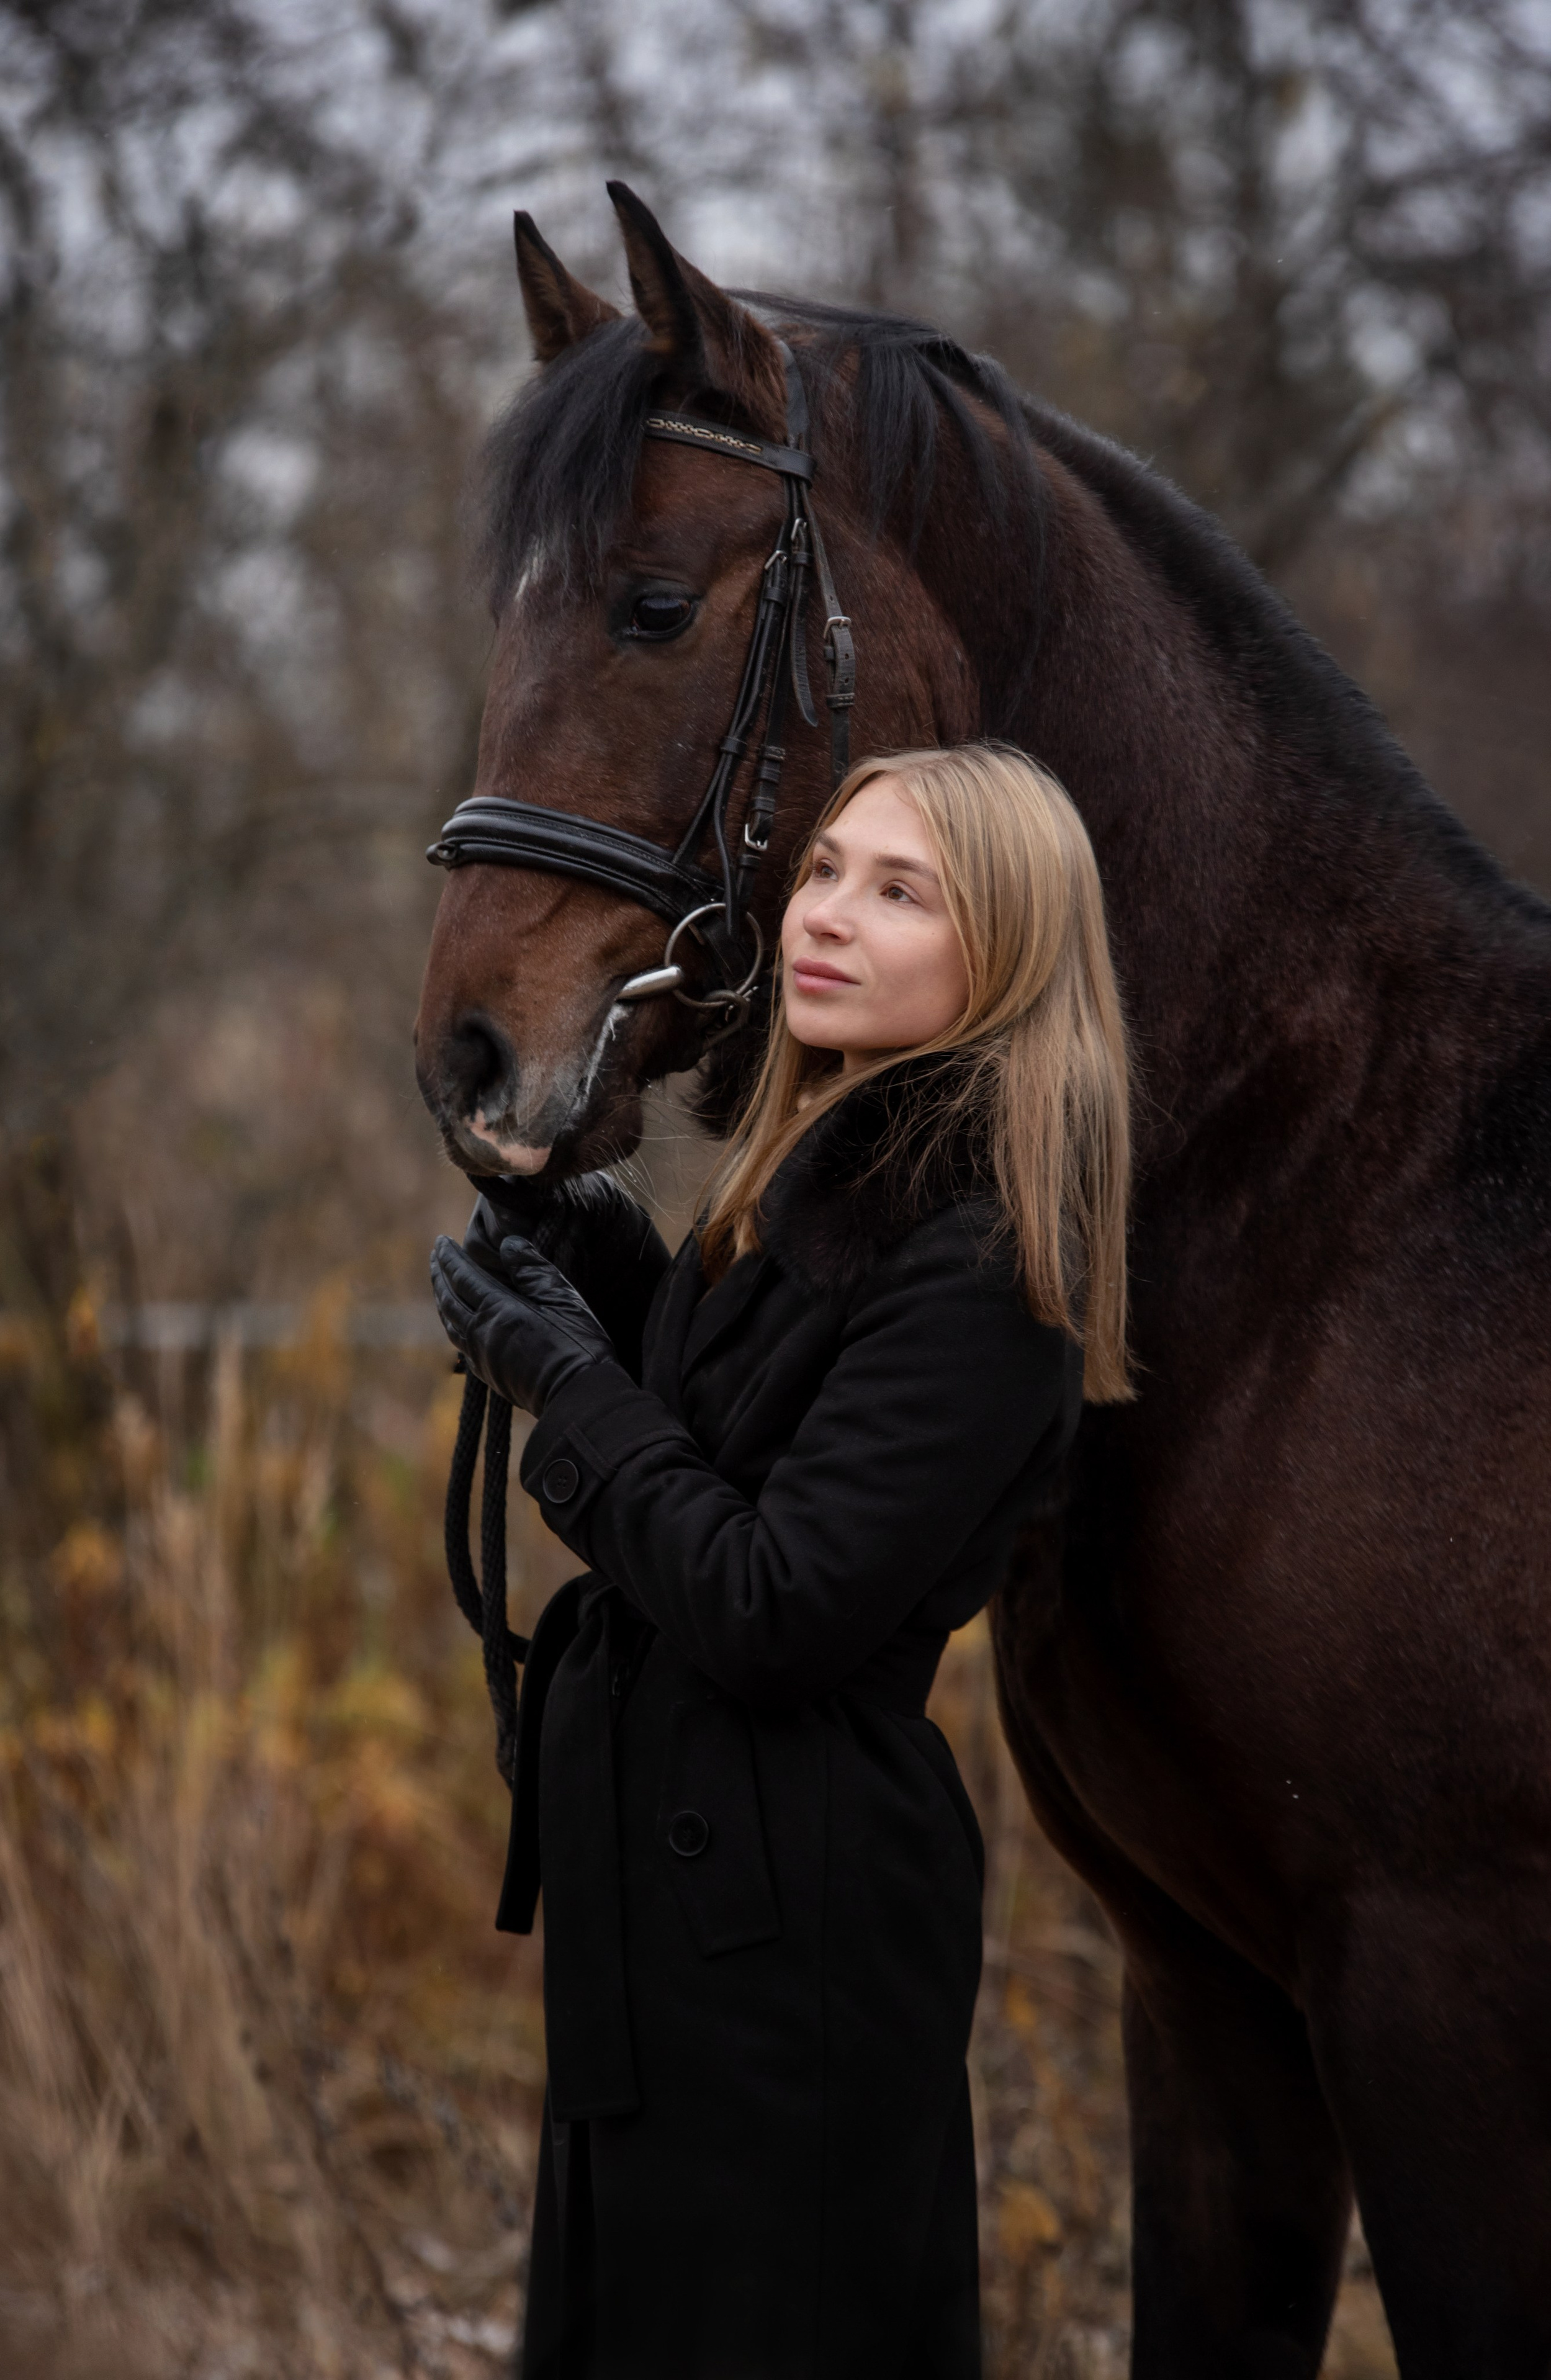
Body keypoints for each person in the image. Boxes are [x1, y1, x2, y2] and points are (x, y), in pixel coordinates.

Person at [429, 743, 1133, 2380]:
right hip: (684, 1909)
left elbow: (774, 1601)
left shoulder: (983, 1260)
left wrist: (566, 1387)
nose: (827, 915)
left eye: (902, 892)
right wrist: (581, 1231)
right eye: (825, 870)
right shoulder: (825, 1191)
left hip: (788, 1940)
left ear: (1008, 951)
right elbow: (731, 1429)